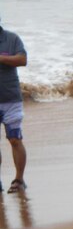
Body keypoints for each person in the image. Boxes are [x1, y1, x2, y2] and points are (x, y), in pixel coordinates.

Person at [0, 17, 28, 194]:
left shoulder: (11, 39)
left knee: (15, 139)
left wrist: (1, 58)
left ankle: (19, 179)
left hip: (11, 99)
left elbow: (23, 59)